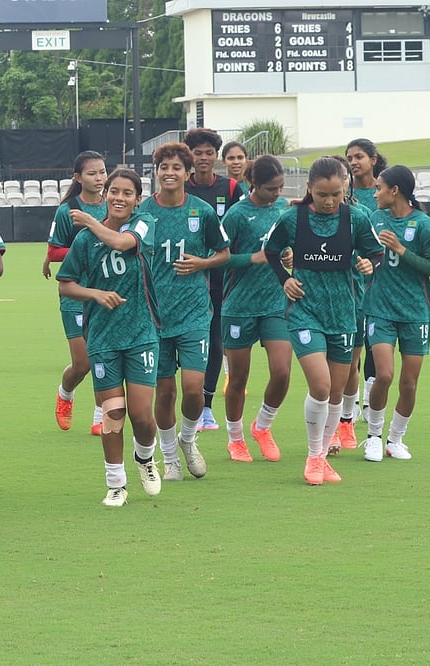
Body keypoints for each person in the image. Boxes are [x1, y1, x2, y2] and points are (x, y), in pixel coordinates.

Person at [263, 156, 383, 485]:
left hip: (344, 314)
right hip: (305, 312)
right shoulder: (292, 218)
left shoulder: (357, 218)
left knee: (335, 393)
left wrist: (369, 265)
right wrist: (284, 279)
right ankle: (313, 456)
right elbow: (271, 250)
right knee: (321, 385)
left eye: (336, 195)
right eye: (321, 195)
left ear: (345, 189)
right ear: (309, 190)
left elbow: (377, 253)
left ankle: (321, 457)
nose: (329, 201)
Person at [57, 168, 162, 506]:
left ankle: (145, 458)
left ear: (137, 200)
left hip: (141, 332)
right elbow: (66, 283)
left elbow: (121, 242)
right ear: (107, 195)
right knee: (114, 412)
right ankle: (116, 483)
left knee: (143, 416)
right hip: (102, 337)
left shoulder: (144, 223)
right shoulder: (85, 242)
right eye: (114, 191)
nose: (119, 197)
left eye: (127, 193)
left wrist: (89, 221)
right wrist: (95, 295)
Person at [138, 142, 227, 481]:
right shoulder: (144, 212)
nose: (170, 173)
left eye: (177, 167)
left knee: (193, 388)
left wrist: (203, 262)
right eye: (164, 167)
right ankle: (170, 456)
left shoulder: (201, 211)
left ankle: (188, 441)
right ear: (156, 172)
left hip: (194, 313)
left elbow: (224, 252)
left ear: (187, 173)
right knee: (165, 391)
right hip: (154, 315)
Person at [361, 165, 430, 462]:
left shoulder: (423, 225)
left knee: (408, 384)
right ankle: (373, 437)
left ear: (394, 191)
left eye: (379, 187)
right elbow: (362, 252)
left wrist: (401, 249)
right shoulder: (374, 218)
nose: (375, 192)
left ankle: (396, 439)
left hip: (415, 312)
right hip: (379, 308)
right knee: (383, 374)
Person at [218, 155, 291, 464]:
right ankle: (235, 439)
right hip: (239, 305)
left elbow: (289, 246)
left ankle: (262, 426)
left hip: (275, 302)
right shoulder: (236, 215)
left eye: (280, 188)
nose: (277, 193)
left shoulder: (284, 209)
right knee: (238, 379)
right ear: (255, 184)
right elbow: (218, 257)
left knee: (282, 371)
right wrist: (253, 258)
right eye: (271, 189)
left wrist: (288, 257)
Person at [184, 128, 246, 431]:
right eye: (198, 153)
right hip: (184, 277)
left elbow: (244, 226)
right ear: (190, 156)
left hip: (221, 274)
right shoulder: (181, 187)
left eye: (209, 152)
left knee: (214, 338)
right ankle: (185, 403)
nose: (204, 158)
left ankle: (206, 406)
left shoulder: (232, 188)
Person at [44, 150, 108, 436]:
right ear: (78, 177)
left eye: (103, 172)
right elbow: (55, 250)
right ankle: (65, 393)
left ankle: (100, 416)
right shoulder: (68, 209)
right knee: (82, 363)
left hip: (106, 292)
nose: (99, 178)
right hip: (74, 294)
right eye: (92, 173)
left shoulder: (114, 206)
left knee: (102, 357)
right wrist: (90, 249)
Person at [337, 139, 388, 447]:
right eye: (349, 158)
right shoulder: (343, 197)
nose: (354, 162)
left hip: (380, 281)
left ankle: (370, 401)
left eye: (359, 157)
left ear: (373, 159)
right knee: (351, 353)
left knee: (375, 346)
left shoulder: (383, 190)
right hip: (350, 282)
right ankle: (351, 408)